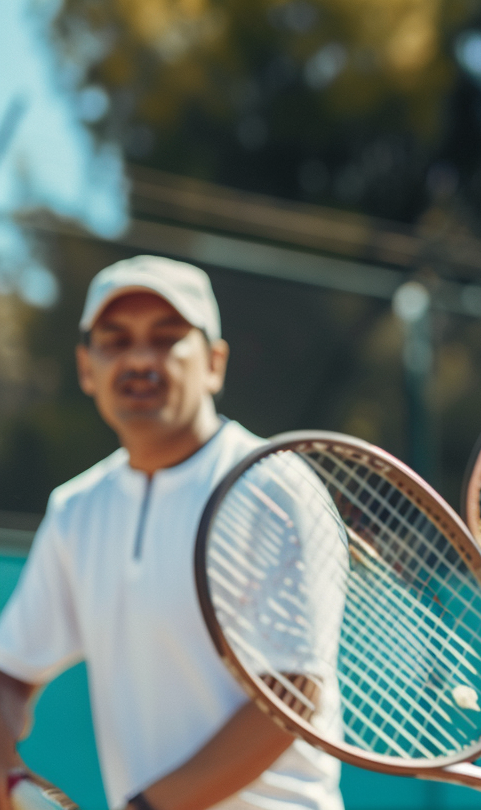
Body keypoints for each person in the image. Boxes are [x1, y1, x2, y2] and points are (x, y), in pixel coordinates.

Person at [0, 257, 341, 810]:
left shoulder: (274, 485)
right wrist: (7, 774)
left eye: (166, 339)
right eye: (115, 341)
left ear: (213, 363)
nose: (138, 358)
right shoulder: (77, 509)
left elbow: (291, 695)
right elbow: (10, 672)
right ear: (87, 367)